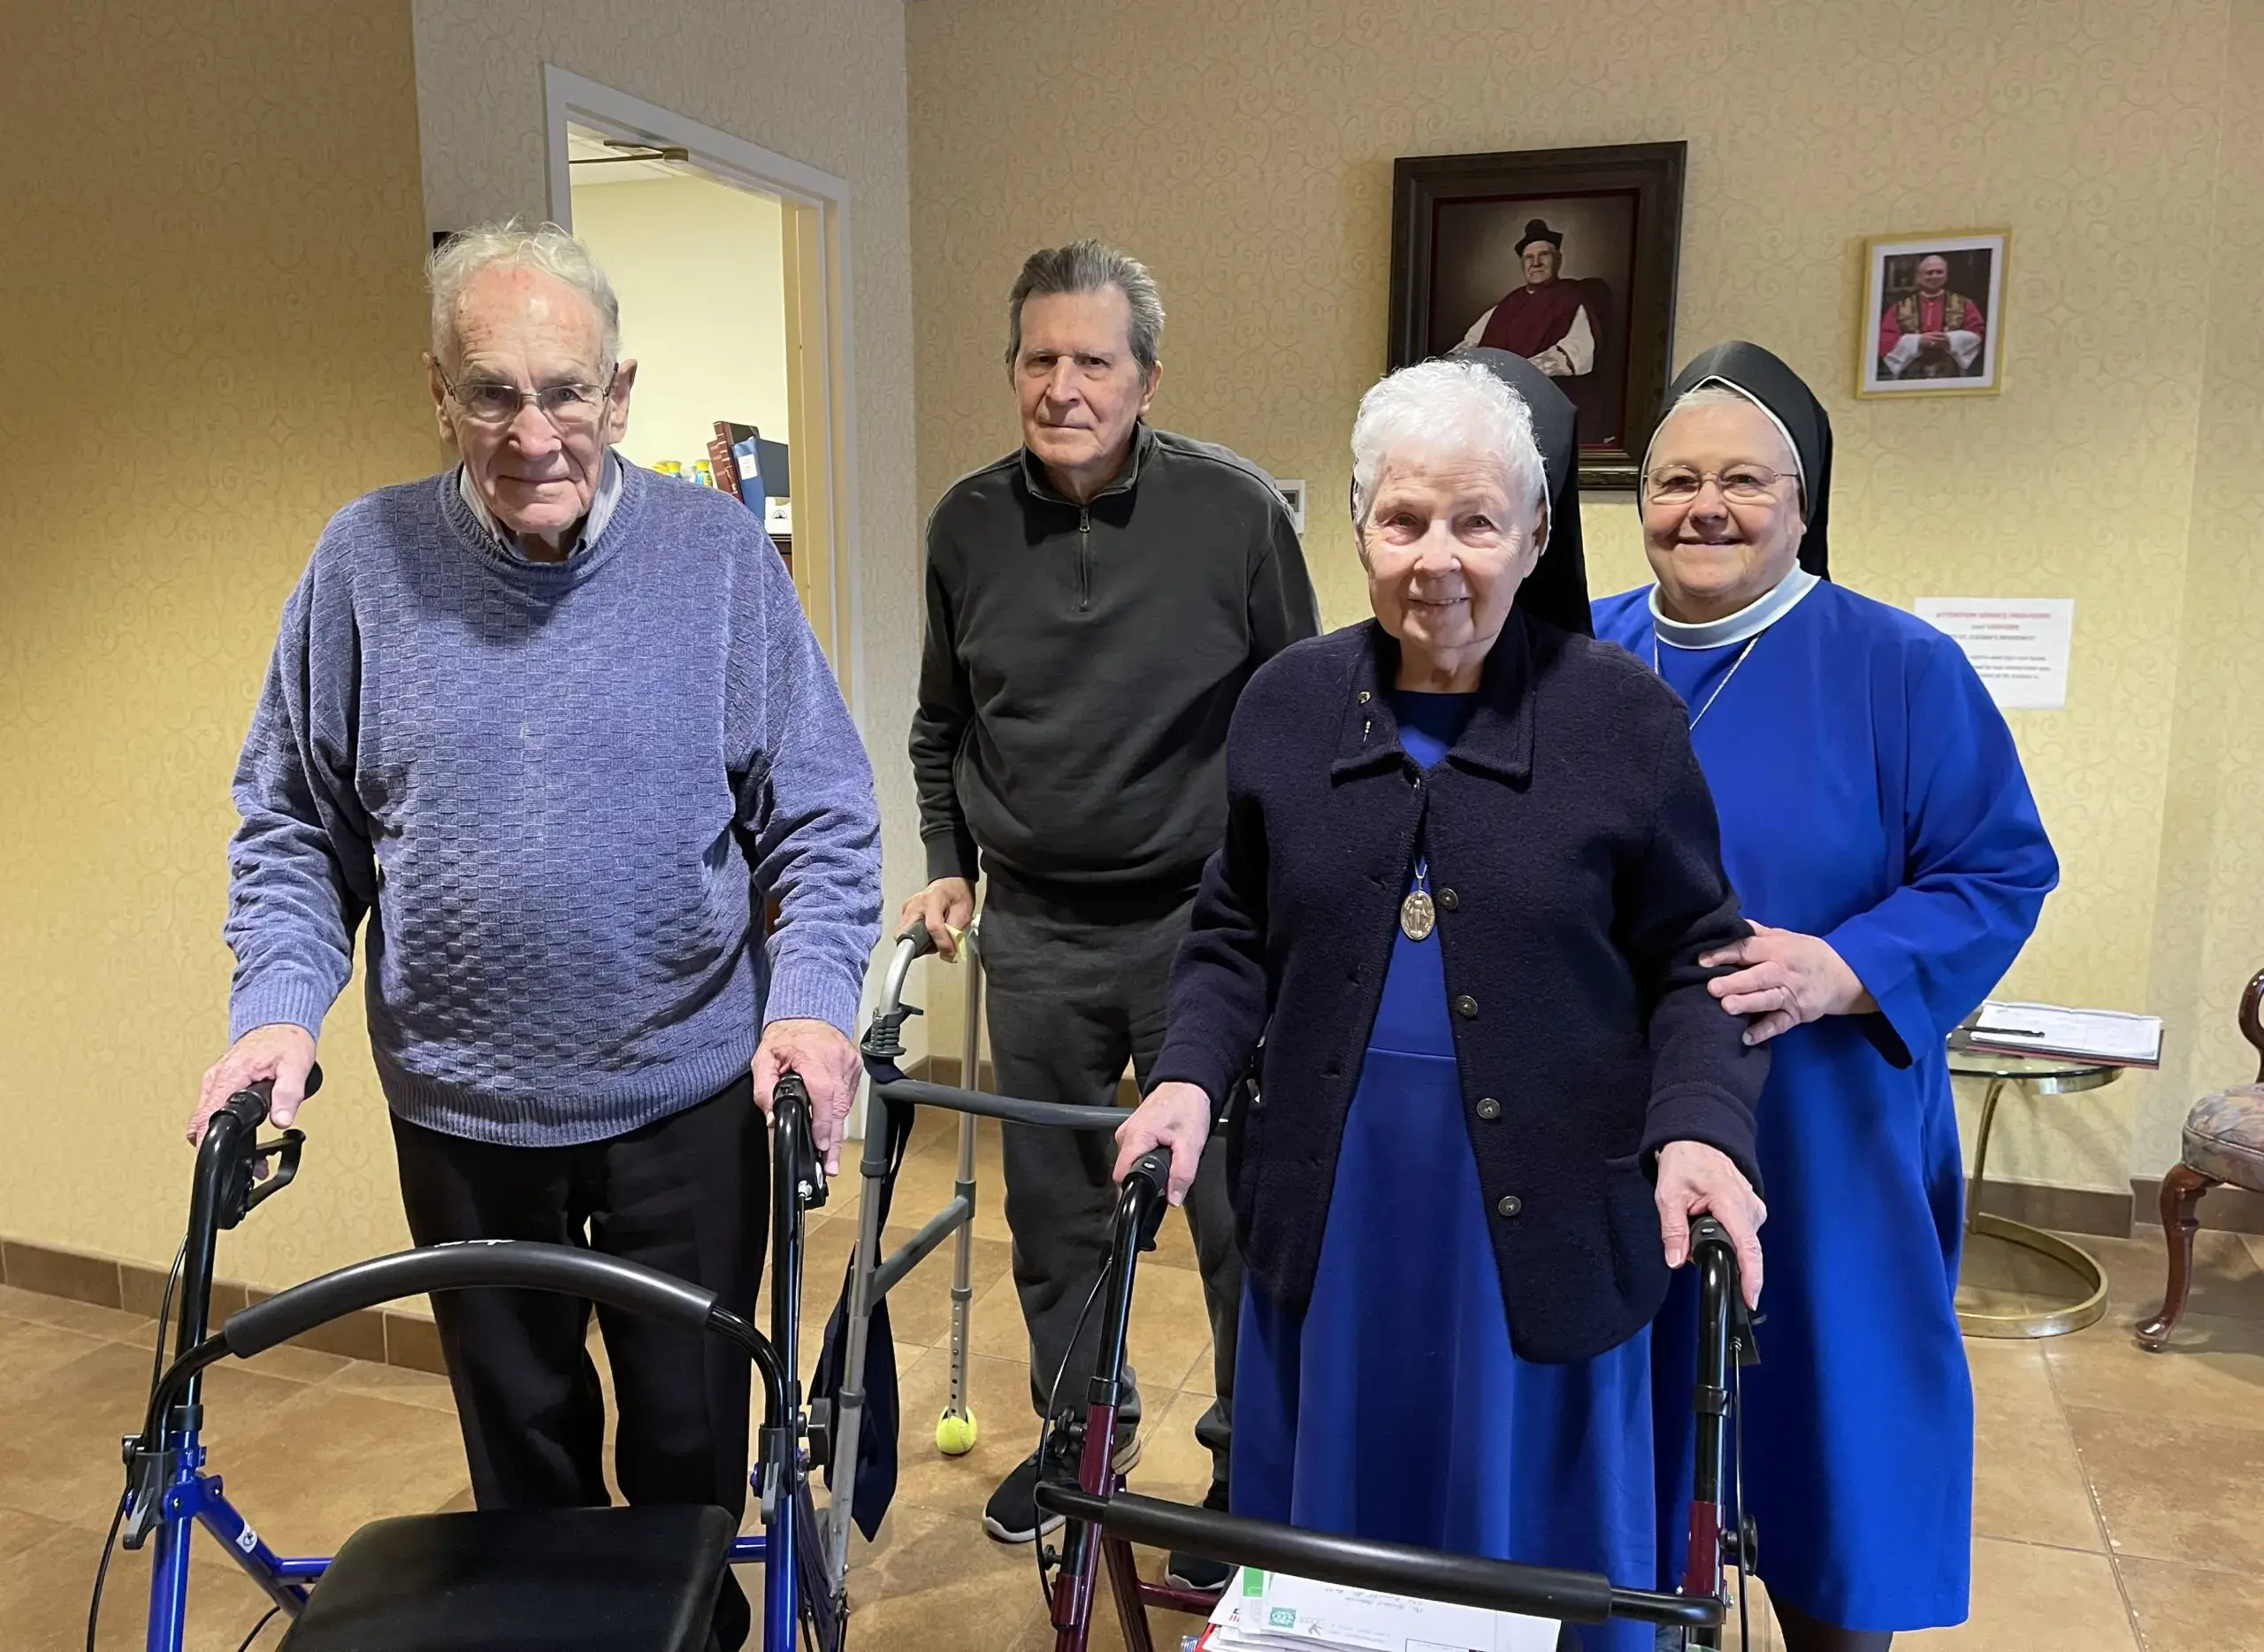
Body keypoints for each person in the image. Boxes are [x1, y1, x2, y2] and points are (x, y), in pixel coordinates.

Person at [190, 221, 883, 1652]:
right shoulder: (364, 562)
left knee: (691, 1456)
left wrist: (812, 1003)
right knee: (524, 1468)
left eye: (565, 391)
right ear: (438, 395)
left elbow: (820, 816)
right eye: (492, 393)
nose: (532, 432)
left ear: (620, 393)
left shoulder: (715, 560)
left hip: (686, 1101)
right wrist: (277, 1012)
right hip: (464, 1115)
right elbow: (297, 825)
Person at [1113, 356, 1769, 1652]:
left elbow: (1700, 956)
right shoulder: (1287, 706)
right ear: (1360, 526)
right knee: (1335, 1561)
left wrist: (1701, 1125)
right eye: (1403, 519)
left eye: (1476, 521)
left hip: (1540, 1221)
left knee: (1523, 1565)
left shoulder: (1622, 721)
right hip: (1339, 1218)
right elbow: (1233, 930)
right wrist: (1187, 1076)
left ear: (1534, 534)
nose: (1438, 559)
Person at [1592, 341, 2058, 1651]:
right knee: (1623, 1451)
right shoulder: (1578, 654)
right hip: (1619, 1124)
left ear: (1805, 502)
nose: (1707, 507)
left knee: (1830, 1432)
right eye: (1676, 480)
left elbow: (1999, 869)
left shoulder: (1898, 665)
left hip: (1827, 1128)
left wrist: (1845, 968)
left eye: (1744, 479)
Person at [903, 239, 1319, 1573]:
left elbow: (1307, 716)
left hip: (1207, 927)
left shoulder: (1235, 512)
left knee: (1235, 1214)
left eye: (1094, 360)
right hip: (1032, 930)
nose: (1063, 387)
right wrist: (951, 858)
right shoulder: (966, 525)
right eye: (1039, 359)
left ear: (1147, 377)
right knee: (1058, 1218)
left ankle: (1248, 1471)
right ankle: (1083, 1437)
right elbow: (940, 724)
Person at [1462, 218, 1597, 379]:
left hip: (1539, 386)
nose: (1536, 263)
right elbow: (1471, 342)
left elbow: (1575, 350)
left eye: (1544, 255)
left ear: (1558, 260)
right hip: (1489, 384)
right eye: (1529, 257)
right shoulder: (1507, 303)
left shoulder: (1571, 298)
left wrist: (1517, 373)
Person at [1877, 254, 1986, 379]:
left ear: (1946, 275)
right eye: (1929, 273)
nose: (1934, 276)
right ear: (1918, 276)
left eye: (1939, 272)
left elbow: (1977, 333)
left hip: (1951, 372)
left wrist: (1950, 340)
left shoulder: (1965, 304)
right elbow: (1885, 339)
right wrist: (1917, 342)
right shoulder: (1899, 307)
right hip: (1911, 372)